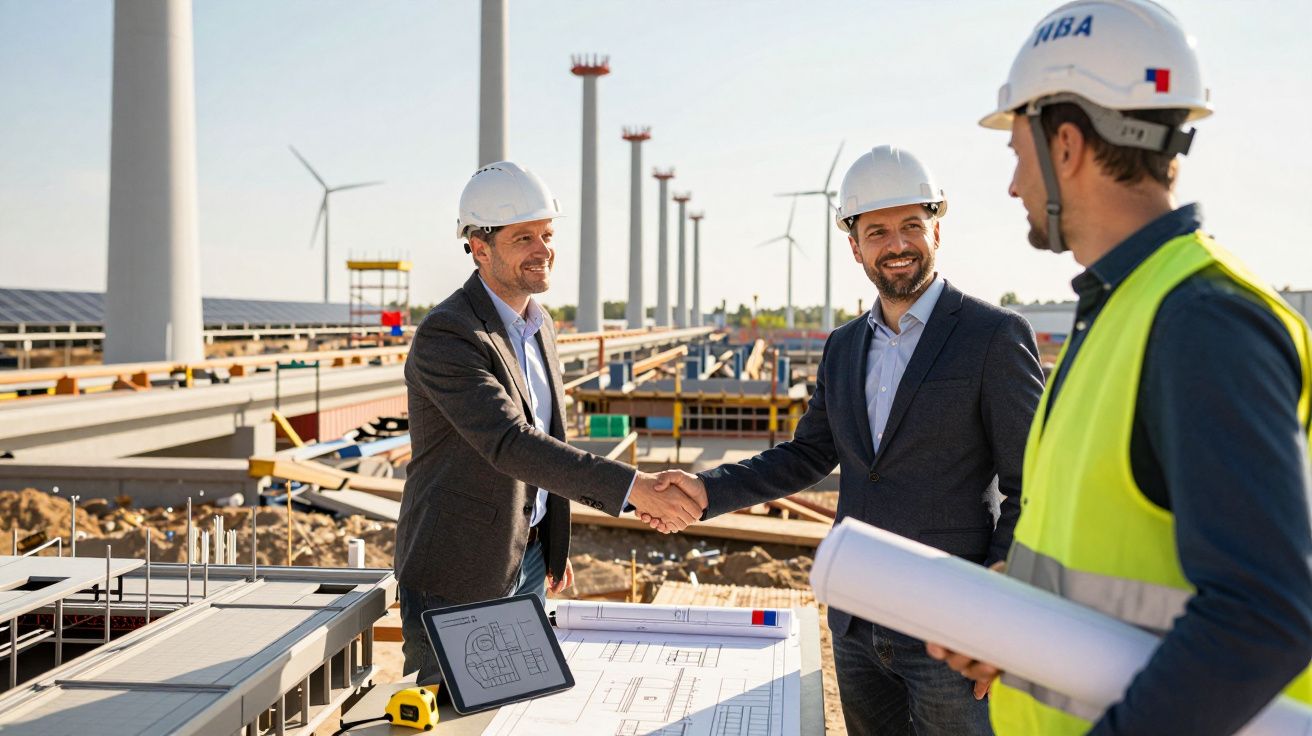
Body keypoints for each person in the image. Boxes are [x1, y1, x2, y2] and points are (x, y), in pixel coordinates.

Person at [926, 1, 1312, 733]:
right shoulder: (1124, 309)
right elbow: (1116, 561)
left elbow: (1263, 614)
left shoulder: (1202, 322)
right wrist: (1016, 612)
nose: (1013, 185)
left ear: (1066, 145)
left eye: (1016, 152)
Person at [647, 146, 1044, 735]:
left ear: (937, 229)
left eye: (912, 225)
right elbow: (809, 453)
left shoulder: (994, 335)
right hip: (858, 621)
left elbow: (1032, 487)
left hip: (953, 629)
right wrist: (708, 490)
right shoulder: (843, 346)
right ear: (855, 246)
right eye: (877, 231)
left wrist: (998, 612)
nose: (897, 244)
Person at [395, 161, 708, 685]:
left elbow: (549, 437)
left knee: (517, 707)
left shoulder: (540, 327)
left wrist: (551, 543)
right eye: (523, 238)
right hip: (459, 571)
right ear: (479, 247)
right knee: (457, 713)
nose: (542, 249)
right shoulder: (449, 334)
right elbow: (510, 443)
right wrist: (634, 489)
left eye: (546, 234)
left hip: (530, 557)